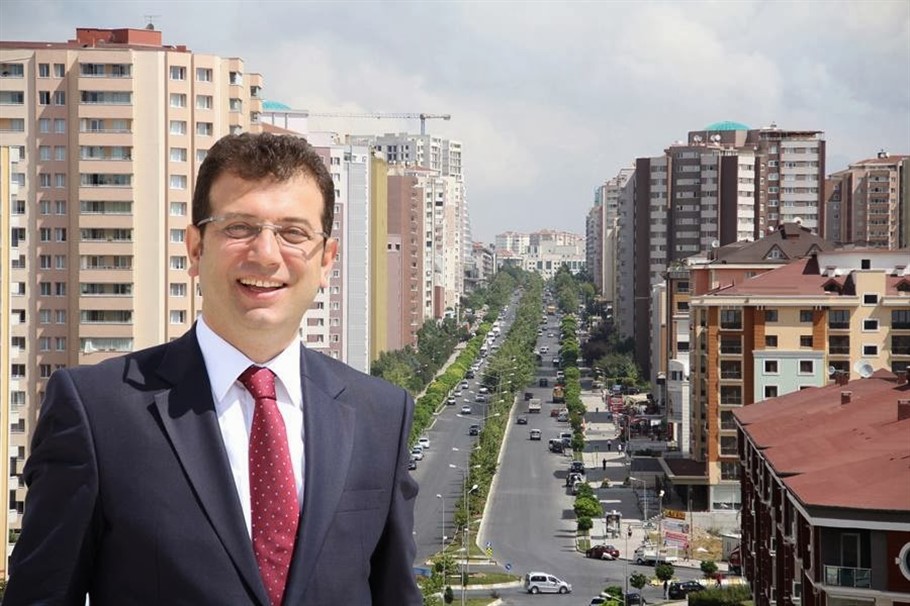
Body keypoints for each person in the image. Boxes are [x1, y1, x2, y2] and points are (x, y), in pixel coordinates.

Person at [4, 133, 421, 605]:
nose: (266, 254)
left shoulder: (380, 416)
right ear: (196, 248)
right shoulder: (98, 412)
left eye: (293, 233)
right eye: (240, 228)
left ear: (326, 260)